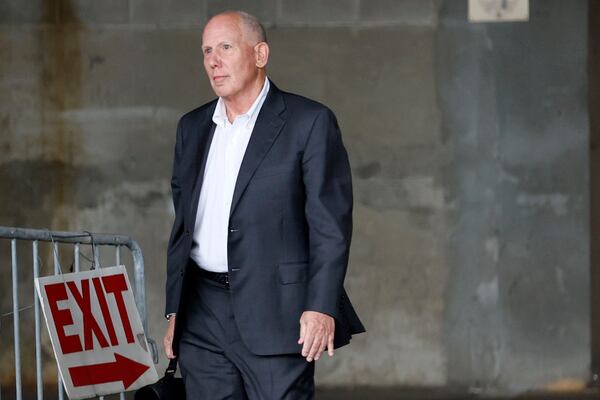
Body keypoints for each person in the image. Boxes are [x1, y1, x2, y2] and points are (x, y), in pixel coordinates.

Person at [163, 10, 364, 399]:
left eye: (225, 47)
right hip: (202, 313)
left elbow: (330, 227)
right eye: (206, 50)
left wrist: (320, 307)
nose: (213, 60)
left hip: (279, 311)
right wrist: (175, 311)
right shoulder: (192, 128)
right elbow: (182, 229)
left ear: (260, 54)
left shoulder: (309, 122)